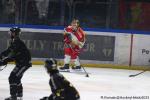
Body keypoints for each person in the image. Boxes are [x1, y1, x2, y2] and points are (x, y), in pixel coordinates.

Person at [0, 27, 32, 100]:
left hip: (24, 63)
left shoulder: (17, 42)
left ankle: (13, 96)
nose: (10, 34)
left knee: (12, 77)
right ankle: (19, 94)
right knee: (16, 78)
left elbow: (13, 55)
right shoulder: (15, 41)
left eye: (11, 32)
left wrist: (4, 60)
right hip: (21, 63)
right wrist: (1, 56)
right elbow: (9, 50)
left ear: (14, 33)